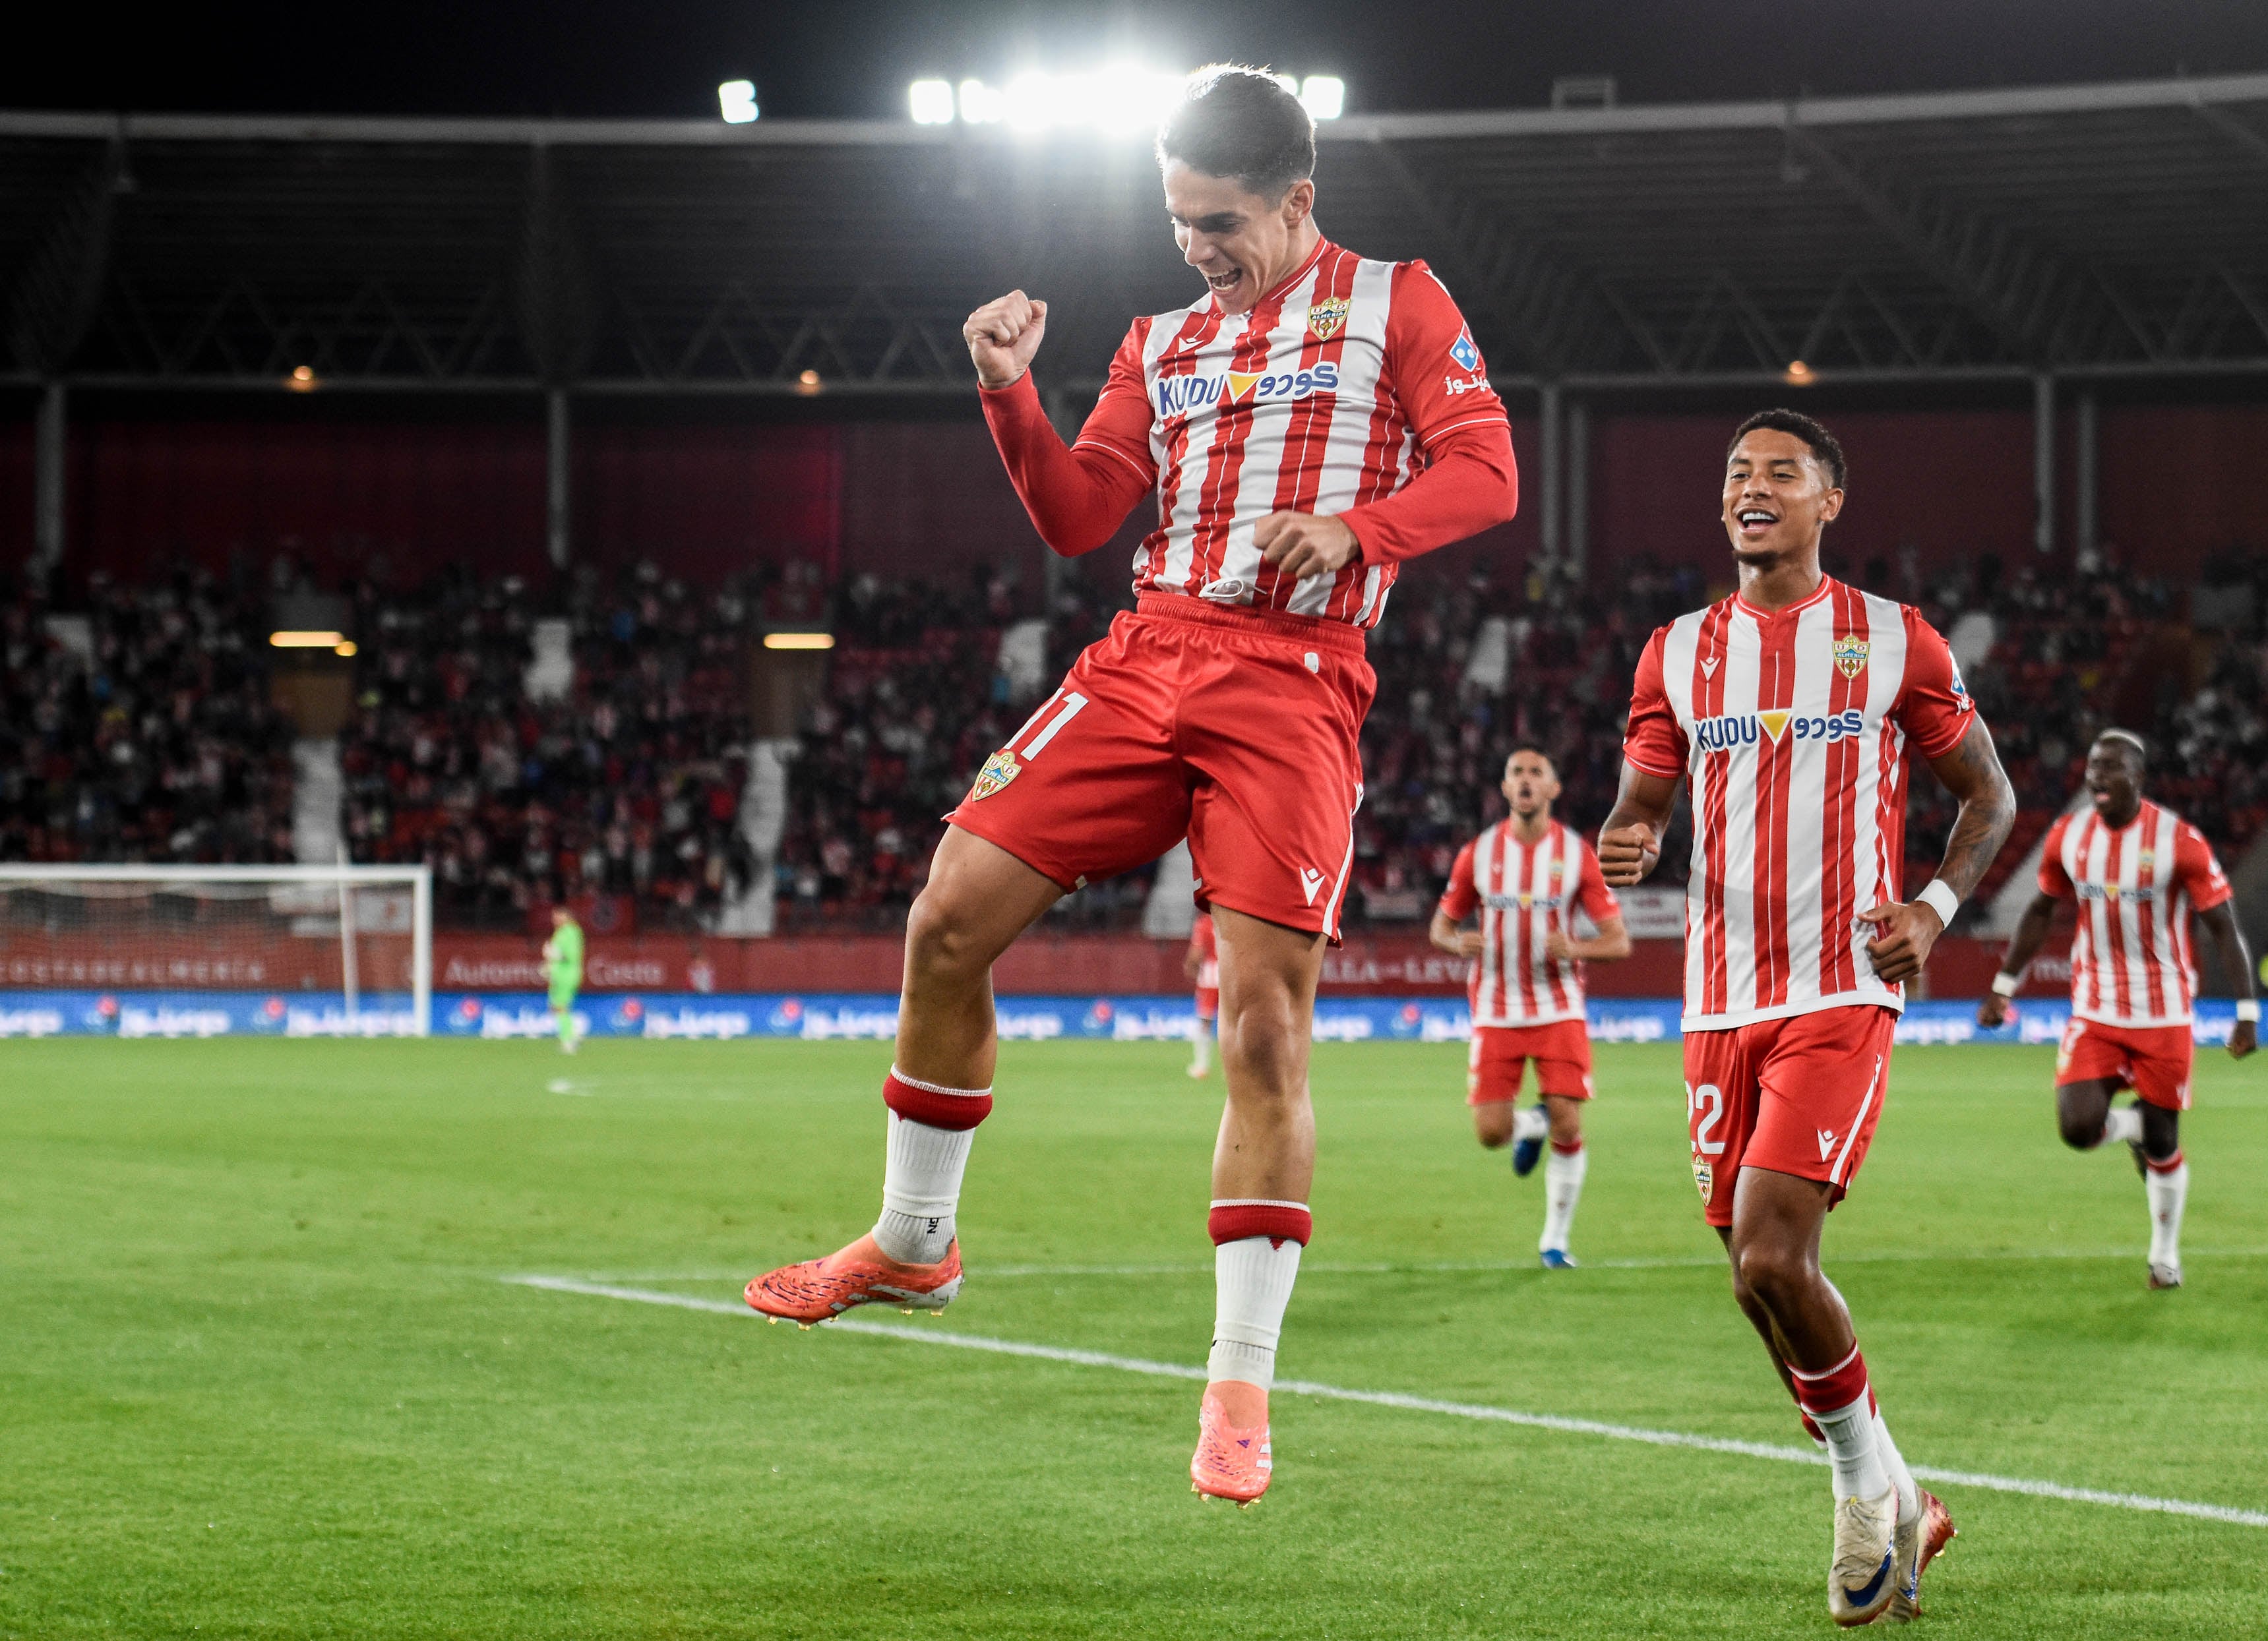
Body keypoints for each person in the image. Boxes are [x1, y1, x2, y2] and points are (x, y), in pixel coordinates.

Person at [743, 65, 1517, 1509]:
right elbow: (1081, 510)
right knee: (946, 916)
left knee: (1265, 1023)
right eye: (1175, 221)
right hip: (1146, 651)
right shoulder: (1159, 338)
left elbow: (1487, 473)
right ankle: (916, 1239)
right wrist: (1006, 394)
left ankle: (1238, 1378)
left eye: (1219, 222)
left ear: (1297, 199)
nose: (1195, 248)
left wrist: (1354, 526)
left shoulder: (1399, 301)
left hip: (1292, 675)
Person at [1601, 409, 2014, 1625]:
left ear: (1830, 499)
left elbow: (1986, 795)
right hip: (1715, 993)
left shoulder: (1891, 639)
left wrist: (1934, 907)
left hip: (1839, 986)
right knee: (1749, 1277)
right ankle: (1907, 1494)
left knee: (1777, 1252)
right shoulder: (1674, 651)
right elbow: (1639, 802)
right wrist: (1625, 838)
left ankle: (1854, 1496)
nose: (1752, 487)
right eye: (1736, 472)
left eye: (1781, 472)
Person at [1979, 730, 2259, 1288]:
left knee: (2163, 1144)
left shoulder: (2179, 841)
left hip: (2164, 1012)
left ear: (2139, 776)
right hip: (2096, 1006)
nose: (2095, 779)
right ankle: (2133, 1126)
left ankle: (2164, 1255)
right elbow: (2039, 910)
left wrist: (2247, 1010)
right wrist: (2004, 982)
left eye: (2110, 769)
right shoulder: (2069, 834)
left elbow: (2222, 927)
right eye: (2090, 768)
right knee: (2077, 1126)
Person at [1429, 746, 1630, 1267]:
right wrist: (1457, 944)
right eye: (1515, 771)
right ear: (1503, 787)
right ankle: (1530, 1125)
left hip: (1557, 1005)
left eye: (1535, 772)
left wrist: (1576, 948)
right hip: (1496, 1008)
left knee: (1568, 1120)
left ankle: (1555, 1242)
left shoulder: (1575, 853)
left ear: (1553, 789)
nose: (1524, 780)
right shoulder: (1477, 853)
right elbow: (1441, 926)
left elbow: (1617, 941)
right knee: (1491, 1134)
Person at [541, 905, 584, 1054]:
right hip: (559, 974)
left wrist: (553, 955)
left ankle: (568, 1041)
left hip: (567, 975)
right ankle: (574, 1033)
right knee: (555, 1007)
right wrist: (548, 966)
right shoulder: (560, 933)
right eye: (554, 916)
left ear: (567, 916)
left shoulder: (571, 932)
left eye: (558, 916)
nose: (555, 919)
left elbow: (570, 956)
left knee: (561, 1007)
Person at [1184, 911, 1220, 1079]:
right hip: (1231, 975)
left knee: (1205, 1022)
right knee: (1233, 1022)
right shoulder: (1230, 920)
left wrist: (1191, 967)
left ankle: (1201, 1066)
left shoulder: (1204, 923)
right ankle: (1235, 1069)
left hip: (1210, 976)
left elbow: (1196, 953)